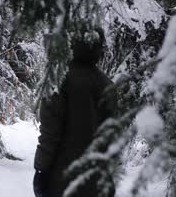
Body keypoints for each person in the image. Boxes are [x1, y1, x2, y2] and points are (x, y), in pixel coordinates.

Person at [33, 28, 115, 197]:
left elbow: (50, 132)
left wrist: (41, 169)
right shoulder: (108, 85)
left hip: (61, 181)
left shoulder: (60, 79)